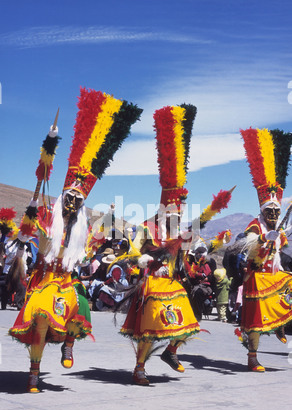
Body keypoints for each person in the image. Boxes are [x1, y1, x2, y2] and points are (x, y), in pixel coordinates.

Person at [9, 88, 143, 392]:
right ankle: (34, 373)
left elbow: (97, 244)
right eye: (69, 198)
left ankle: (69, 344)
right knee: (41, 316)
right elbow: (28, 231)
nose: (72, 204)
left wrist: (110, 222)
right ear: (61, 200)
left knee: (81, 303)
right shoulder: (46, 216)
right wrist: (46, 157)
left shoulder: (82, 231)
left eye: (77, 201)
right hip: (43, 280)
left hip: (68, 281)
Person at [120, 103, 200, 385]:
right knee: (150, 329)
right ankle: (139, 367)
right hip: (151, 287)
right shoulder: (147, 228)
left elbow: (189, 261)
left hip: (174, 287)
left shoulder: (180, 235)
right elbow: (130, 252)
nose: (176, 217)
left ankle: (171, 352)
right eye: (172, 213)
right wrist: (140, 259)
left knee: (189, 323)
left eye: (179, 214)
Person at [239, 127, 292, 372]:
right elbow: (248, 245)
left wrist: (279, 236)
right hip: (256, 276)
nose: (273, 215)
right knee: (256, 319)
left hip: (274, 274)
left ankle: (281, 326)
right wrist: (263, 240)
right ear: (262, 211)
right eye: (269, 211)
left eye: (276, 212)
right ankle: (252, 356)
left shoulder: (278, 228)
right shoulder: (255, 224)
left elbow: (284, 249)